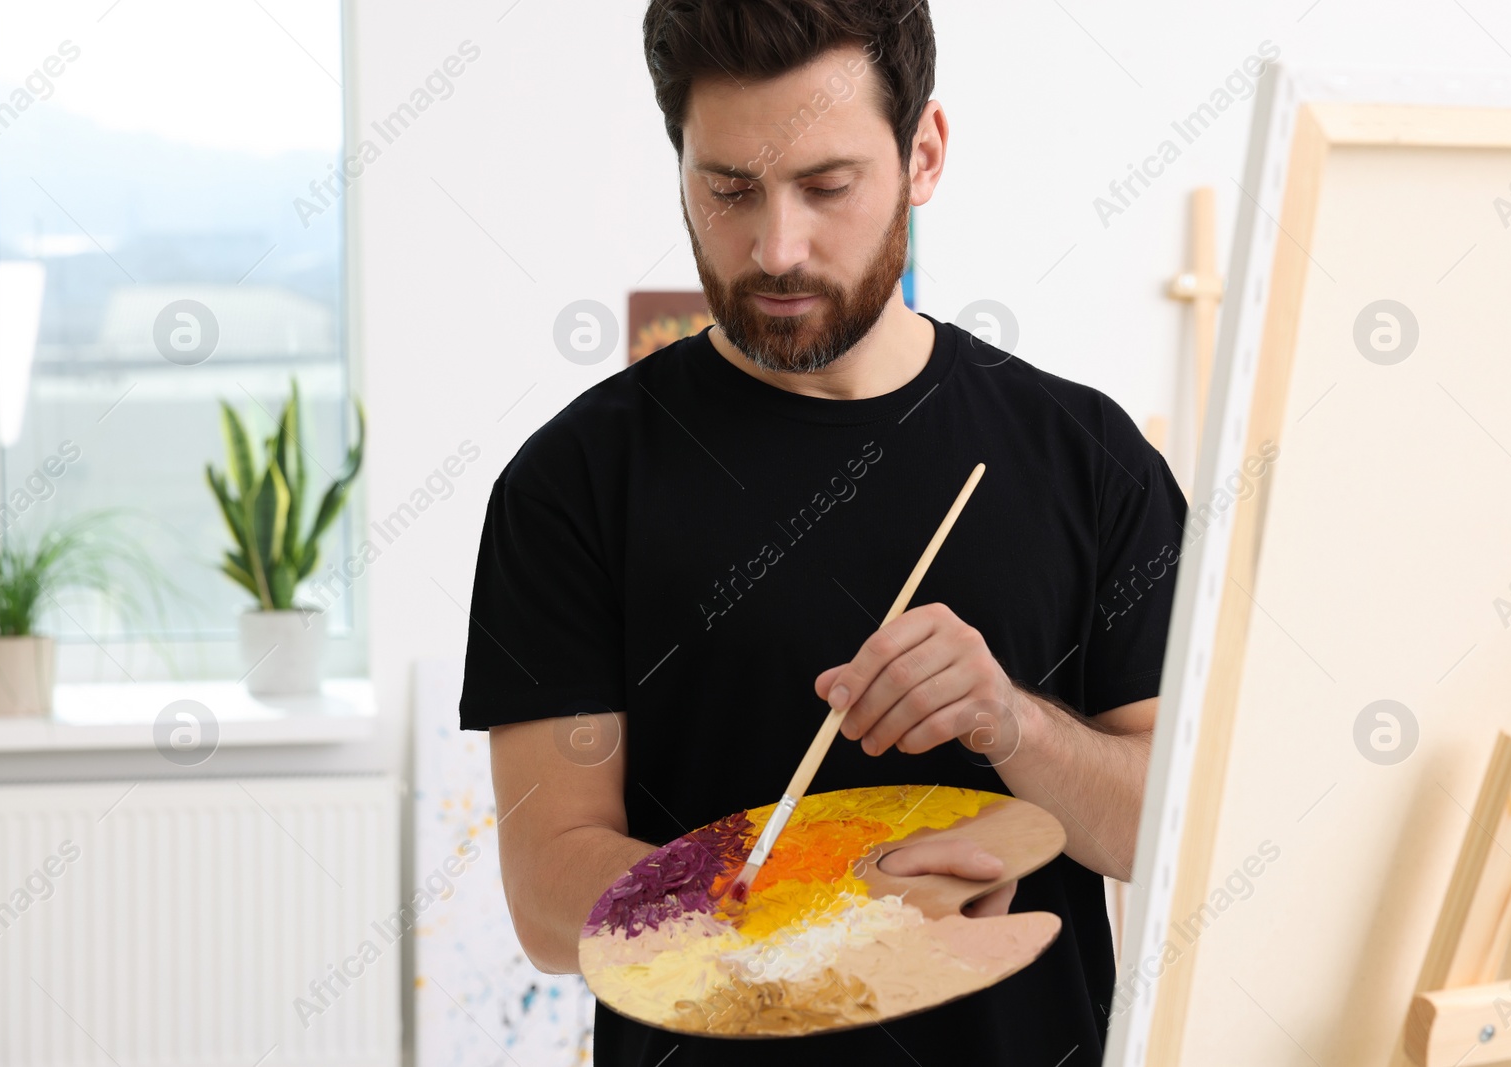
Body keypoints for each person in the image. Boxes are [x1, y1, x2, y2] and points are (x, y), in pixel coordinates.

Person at [459, 2, 1188, 1064]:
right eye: (729, 190)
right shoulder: (573, 481)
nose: (776, 246)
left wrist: (1010, 723)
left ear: (922, 154)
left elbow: (1168, 833)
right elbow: (545, 893)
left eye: (826, 185)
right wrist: (829, 896)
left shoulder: (1087, 454)